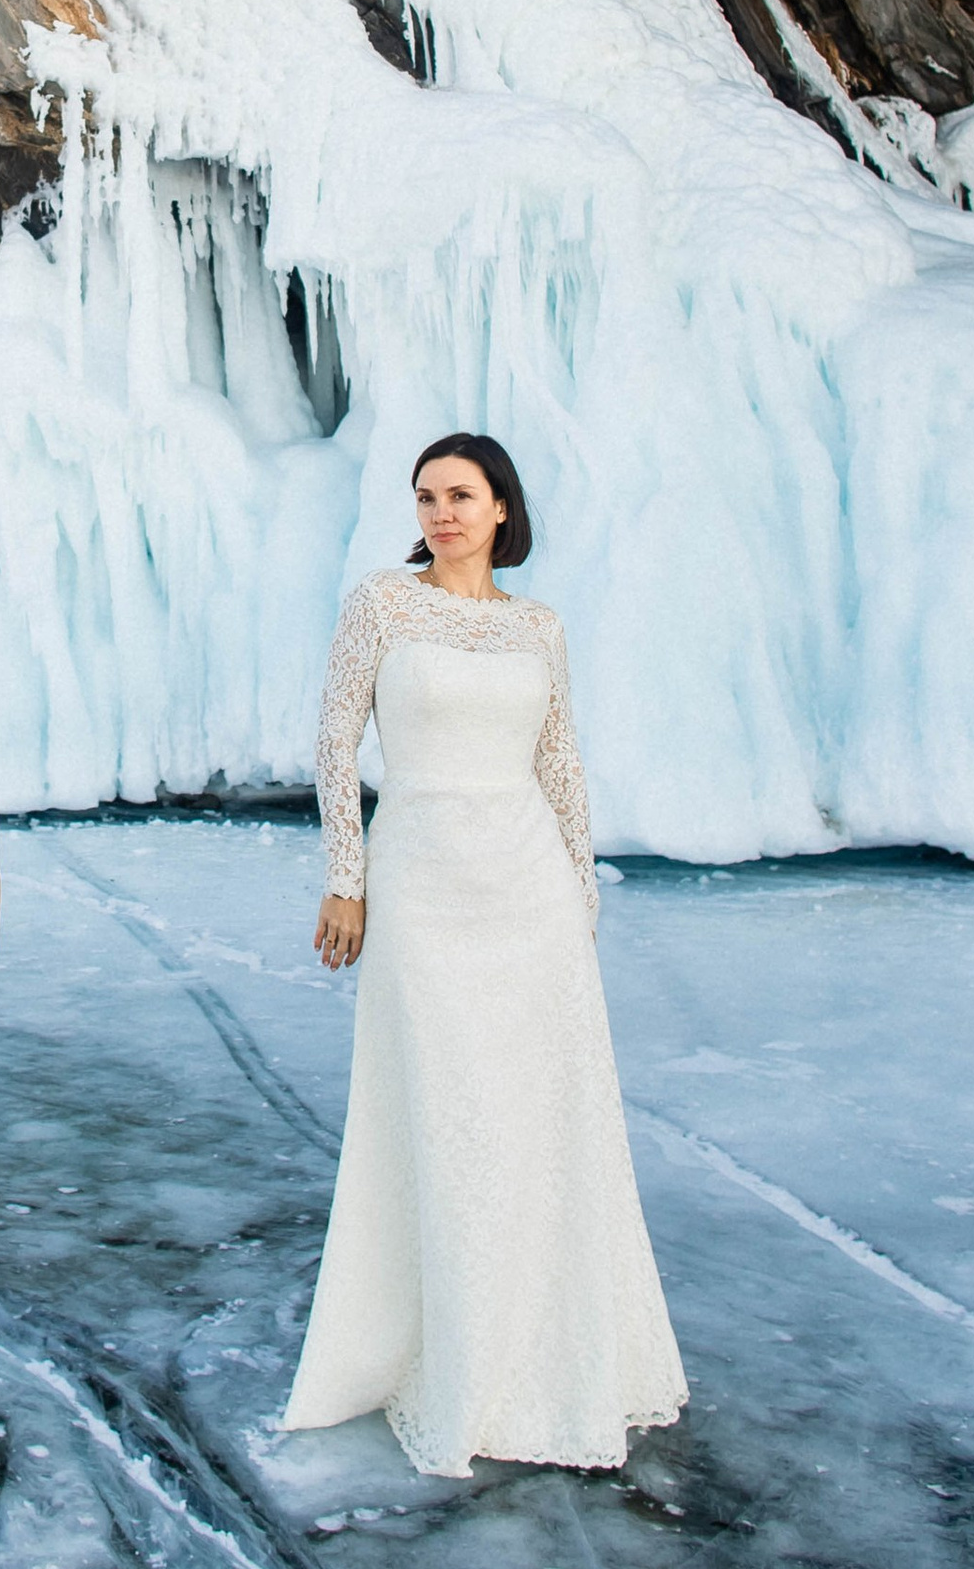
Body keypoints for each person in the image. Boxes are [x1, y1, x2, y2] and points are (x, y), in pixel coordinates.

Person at [282, 433, 686, 1476]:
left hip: (529, 889)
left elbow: (561, 762)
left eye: (461, 496)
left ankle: (548, 1353)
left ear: (502, 506)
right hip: (420, 881)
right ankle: (447, 1353)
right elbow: (334, 742)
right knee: (445, 1104)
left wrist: (579, 897)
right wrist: (345, 877)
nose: (441, 514)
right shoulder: (382, 603)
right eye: (425, 497)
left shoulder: (538, 625)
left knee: (540, 1113)